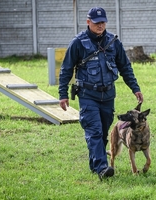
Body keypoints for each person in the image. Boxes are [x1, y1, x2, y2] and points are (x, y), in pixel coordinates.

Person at [58, 7, 143, 180]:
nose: (100, 25)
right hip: (88, 95)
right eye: (97, 23)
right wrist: (63, 94)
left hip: (108, 95)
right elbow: (66, 69)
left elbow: (125, 67)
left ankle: (94, 163)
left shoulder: (113, 42)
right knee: (94, 131)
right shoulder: (78, 43)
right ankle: (102, 167)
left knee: (103, 132)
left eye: (103, 22)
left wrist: (135, 88)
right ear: (88, 22)